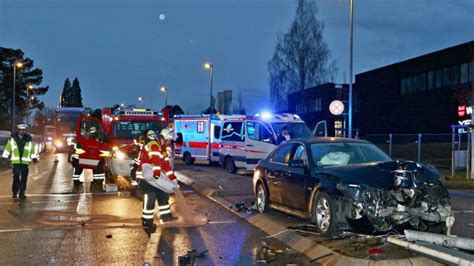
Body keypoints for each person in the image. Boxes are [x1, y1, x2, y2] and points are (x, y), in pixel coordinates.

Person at [137, 130, 177, 235]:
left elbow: (166, 166)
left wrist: (173, 179)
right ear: (159, 139)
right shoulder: (153, 145)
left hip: (155, 179)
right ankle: (147, 222)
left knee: (163, 196)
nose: (166, 142)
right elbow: (155, 161)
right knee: (150, 199)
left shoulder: (160, 150)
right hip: (148, 180)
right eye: (164, 140)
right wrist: (157, 173)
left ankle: (166, 217)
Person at [2, 124, 38, 201]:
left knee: (24, 178)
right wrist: (5, 156)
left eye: (23, 130)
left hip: (25, 163)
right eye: (20, 130)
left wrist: (34, 157)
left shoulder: (28, 139)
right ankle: (15, 192)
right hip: (16, 162)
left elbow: (32, 150)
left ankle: (22, 193)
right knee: (16, 177)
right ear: (18, 130)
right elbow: (8, 148)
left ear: (25, 130)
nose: (22, 131)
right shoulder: (13, 139)